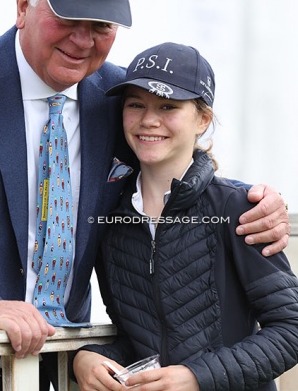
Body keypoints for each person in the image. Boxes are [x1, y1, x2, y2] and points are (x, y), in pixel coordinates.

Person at [0, 0, 290, 391]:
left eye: (102, 26)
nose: (82, 40)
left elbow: (171, 158)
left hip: (66, 363)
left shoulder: (121, 97)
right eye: (67, 16)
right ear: (22, 6)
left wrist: (256, 201)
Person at [72, 42, 298, 391]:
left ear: (203, 119)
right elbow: (143, 338)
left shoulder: (237, 209)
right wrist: (86, 357)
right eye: (136, 105)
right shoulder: (111, 219)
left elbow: (290, 329)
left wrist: (198, 377)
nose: (149, 120)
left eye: (168, 106)